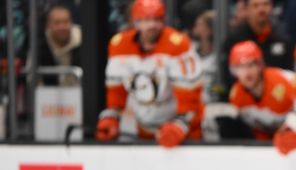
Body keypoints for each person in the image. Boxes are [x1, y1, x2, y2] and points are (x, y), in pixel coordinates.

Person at [96, 0, 204, 148]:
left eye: (157, 19)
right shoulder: (119, 46)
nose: (152, 25)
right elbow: (116, 92)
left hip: (183, 130)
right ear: (135, 21)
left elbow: (190, 96)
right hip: (144, 128)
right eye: (146, 20)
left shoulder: (178, 45)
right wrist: (111, 117)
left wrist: (180, 125)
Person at [221, 0, 294, 91]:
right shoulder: (234, 40)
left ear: (272, 7)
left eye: (266, 4)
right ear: (247, 9)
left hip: (278, 96)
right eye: (256, 5)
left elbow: (290, 73)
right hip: (244, 98)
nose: (261, 9)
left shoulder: (283, 39)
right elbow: (227, 74)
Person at [227, 40, 293, 140]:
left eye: (251, 65)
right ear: (233, 71)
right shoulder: (236, 96)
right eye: (240, 67)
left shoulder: (284, 82)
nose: (247, 72)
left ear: (260, 65)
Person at [38, 2, 82, 87]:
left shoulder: (84, 42)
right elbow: (32, 80)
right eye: (57, 23)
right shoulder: (40, 45)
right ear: (48, 25)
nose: (62, 27)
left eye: (66, 22)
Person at [192, 10, 218, 103]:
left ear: (209, 29)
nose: (196, 26)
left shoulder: (217, 56)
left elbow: (220, 88)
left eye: (200, 24)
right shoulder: (191, 50)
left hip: (212, 103)